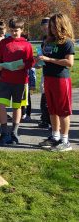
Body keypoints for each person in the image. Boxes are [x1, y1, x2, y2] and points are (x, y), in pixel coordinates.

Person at [38, 13, 75, 152]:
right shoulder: (48, 41)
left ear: (62, 26)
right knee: (52, 109)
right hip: (48, 78)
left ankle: (65, 141)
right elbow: (44, 59)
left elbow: (69, 62)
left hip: (61, 79)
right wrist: (40, 60)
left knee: (63, 111)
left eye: (55, 26)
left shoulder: (67, 42)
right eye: (51, 26)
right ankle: (55, 137)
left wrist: (49, 59)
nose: (52, 29)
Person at [0, 18, 34, 146]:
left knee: (17, 106)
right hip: (5, 80)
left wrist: (24, 66)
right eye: (11, 30)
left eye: (16, 30)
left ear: (22, 30)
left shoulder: (27, 45)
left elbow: (30, 61)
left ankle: (14, 132)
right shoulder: (4, 43)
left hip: (21, 81)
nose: (14, 33)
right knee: (1, 105)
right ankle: (4, 132)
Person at [37, 17, 51, 129]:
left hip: (55, 73)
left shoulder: (54, 39)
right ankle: (45, 119)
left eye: (46, 26)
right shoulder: (44, 39)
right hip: (45, 71)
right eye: (43, 27)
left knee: (49, 96)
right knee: (44, 93)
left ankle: (48, 120)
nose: (45, 28)